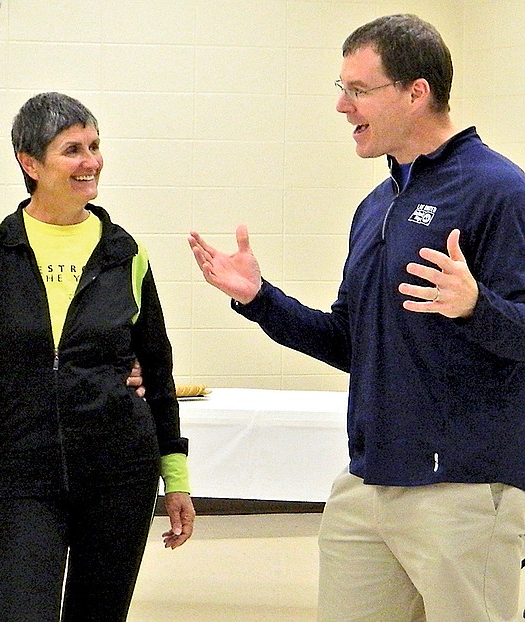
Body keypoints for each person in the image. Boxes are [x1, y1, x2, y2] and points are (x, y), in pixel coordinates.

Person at [189, 14, 525, 622]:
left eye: (359, 90)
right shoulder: (377, 205)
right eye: (341, 89)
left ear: (416, 92)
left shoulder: (499, 191)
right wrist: (261, 298)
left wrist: (478, 307)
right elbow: (350, 342)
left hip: (465, 491)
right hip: (366, 487)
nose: (343, 106)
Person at [0, 91, 195, 621]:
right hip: (22, 473)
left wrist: (175, 478)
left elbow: (157, 371)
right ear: (30, 163)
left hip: (120, 473)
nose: (91, 161)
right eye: (72, 150)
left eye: (94, 146)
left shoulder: (125, 252)